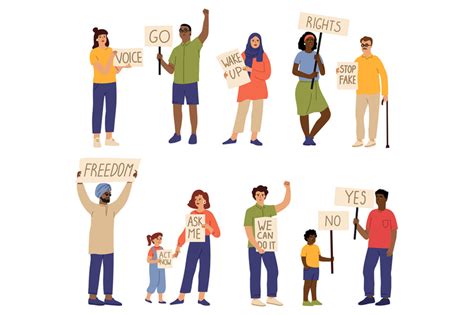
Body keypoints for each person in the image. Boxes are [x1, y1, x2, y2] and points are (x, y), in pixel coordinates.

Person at [76, 170, 137, 306]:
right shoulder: (92, 208)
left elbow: (123, 198)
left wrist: (130, 181)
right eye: (106, 193)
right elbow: (83, 197)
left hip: (109, 247)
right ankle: (92, 297)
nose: (108, 195)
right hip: (95, 247)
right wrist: (79, 182)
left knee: (109, 272)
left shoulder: (113, 209)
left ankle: (108, 297)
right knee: (94, 271)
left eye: (109, 193)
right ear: (99, 194)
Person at [157, 9, 209, 145]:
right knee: (176, 108)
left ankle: (193, 134)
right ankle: (177, 134)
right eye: (181, 30)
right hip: (178, 83)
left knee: (192, 107)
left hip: (191, 83)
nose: (183, 32)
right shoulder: (176, 50)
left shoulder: (195, 45)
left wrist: (206, 16)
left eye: (185, 30)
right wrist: (161, 61)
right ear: (179, 34)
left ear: (190, 33)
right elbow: (170, 70)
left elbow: (205, 33)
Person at [244, 182, 291, 307]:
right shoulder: (250, 211)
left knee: (273, 270)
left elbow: (285, 204)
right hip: (253, 247)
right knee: (255, 272)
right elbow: (248, 231)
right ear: (254, 196)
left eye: (262, 194)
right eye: (258, 194)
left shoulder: (269, 209)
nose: (260, 196)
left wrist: (288, 189)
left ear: (265, 196)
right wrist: (257, 246)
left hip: (268, 246)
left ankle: (271, 296)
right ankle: (255, 298)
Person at [170, 190, 220, 306]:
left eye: (200, 198)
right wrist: (178, 245)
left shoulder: (209, 214)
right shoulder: (192, 214)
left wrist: (207, 226)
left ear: (205, 201)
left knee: (204, 269)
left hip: (206, 243)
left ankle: (201, 298)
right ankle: (181, 297)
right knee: (189, 269)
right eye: (196, 199)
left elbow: (217, 233)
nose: (197, 201)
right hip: (194, 243)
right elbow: (186, 231)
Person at [222, 33, 271, 146]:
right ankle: (233, 137)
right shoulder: (242, 55)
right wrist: (228, 75)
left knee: (257, 114)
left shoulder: (263, 56)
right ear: (249, 41)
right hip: (245, 89)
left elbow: (267, 74)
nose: (255, 42)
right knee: (241, 113)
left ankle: (254, 138)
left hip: (259, 89)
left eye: (257, 40)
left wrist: (251, 70)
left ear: (260, 42)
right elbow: (235, 70)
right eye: (253, 40)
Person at [353, 189, 398, 306]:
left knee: (385, 272)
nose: (378, 199)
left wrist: (391, 248)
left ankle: (385, 297)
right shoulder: (372, 214)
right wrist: (357, 226)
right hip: (372, 248)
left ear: (386, 199)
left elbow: (394, 232)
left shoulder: (390, 214)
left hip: (386, 248)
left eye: (381, 197)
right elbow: (366, 235)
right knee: (367, 270)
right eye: (377, 197)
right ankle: (369, 296)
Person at [90, 27, 131, 148]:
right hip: (99, 83)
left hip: (111, 83)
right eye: (101, 37)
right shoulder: (94, 53)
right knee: (97, 110)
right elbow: (102, 70)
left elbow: (112, 70)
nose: (103, 39)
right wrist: (111, 57)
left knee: (111, 109)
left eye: (104, 36)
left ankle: (109, 137)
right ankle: (96, 138)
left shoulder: (111, 50)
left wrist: (122, 67)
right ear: (96, 39)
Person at [292, 32, 331, 146]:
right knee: (304, 113)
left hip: (316, 87)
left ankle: (311, 136)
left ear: (314, 43)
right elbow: (294, 71)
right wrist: (308, 75)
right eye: (308, 40)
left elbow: (323, 73)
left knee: (326, 114)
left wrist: (318, 60)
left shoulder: (317, 55)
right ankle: (306, 138)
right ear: (304, 42)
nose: (310, 42)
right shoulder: (300, 55)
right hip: (303, 86)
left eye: (312, 40)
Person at [351, 36, 388, 147]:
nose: (364, 46)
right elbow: (350, 74)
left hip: (374, 93)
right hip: (360, 92)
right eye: (362, 44)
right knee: (359, 116)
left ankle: (372, 139)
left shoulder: (376, 60)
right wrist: (340, 71)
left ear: (371, 45)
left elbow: (383, 75)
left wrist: (385, 93)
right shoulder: (357, 60)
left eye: (366, 44)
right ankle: (359, 139)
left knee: (373, 116)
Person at [300, 229, 333, 306]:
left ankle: (314, 299)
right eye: (311, 237)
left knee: (314, 285)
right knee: (307, 284)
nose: (313, 238)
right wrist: (305, 265)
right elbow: (303, 257)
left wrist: (330, 259)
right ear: (307, 238)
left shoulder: (316, 247)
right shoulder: (305, 248)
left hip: (316, 268)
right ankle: (305, 300)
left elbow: (319, 258)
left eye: (314, 237)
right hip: (308, 269)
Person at [145, 232, 167, 304]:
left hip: (161, 268)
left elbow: (165, 257)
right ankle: (147, 297)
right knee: (154, 282)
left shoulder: (162, 248)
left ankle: (160, 299)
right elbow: (148, 260)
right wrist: (156, 261)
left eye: (160, 238)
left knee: (162, 282)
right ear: (153, 240)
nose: (159, 240)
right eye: (158, 238)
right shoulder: (152, 249)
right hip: (154, 268)